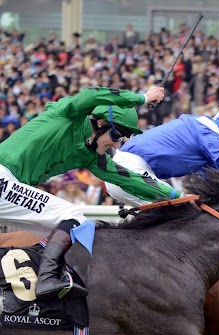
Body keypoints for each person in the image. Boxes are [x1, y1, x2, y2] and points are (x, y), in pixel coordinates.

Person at [0, 85, 167, 300]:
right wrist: (141, 98)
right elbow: (90, 94)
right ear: (100, 123)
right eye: (116, 134)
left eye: (122, 138)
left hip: (7, 186)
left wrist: (176, 197)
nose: (116, 143)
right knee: (73, 218)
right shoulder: (69, 115)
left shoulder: (88, 154)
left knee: (57, 230)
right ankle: (47, 280)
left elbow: (131, 179)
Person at [107, 103, 219, 206]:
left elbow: (210, 180)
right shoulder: (208, 133)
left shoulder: (204, 136)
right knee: (180, 214)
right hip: (131, 170)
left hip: (129, 171)